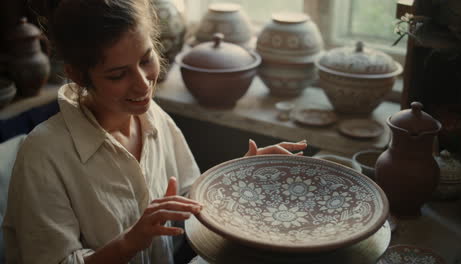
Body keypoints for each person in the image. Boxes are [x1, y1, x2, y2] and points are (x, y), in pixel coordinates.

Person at [1, 0, 307, 263]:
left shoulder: (152, 116)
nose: (142, 83)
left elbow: (189, 199)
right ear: (78, 75)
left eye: (146, 59)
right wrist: (131, 241)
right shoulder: (44, 153)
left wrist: (239, 175)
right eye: (118, 74)